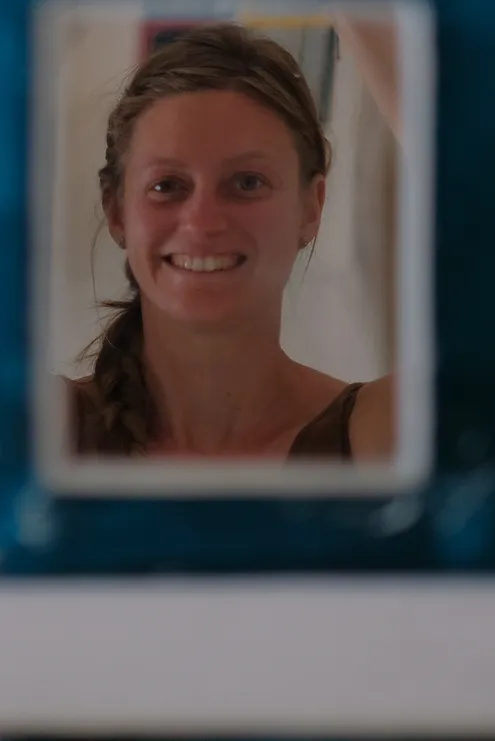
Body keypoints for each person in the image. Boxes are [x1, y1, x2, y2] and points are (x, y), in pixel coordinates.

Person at [66, 23, 395, 461]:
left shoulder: (380, 433)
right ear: (116, 211)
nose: (202, 223)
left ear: (311, 208)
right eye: (167, 186)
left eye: (247, 182)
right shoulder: (38, 428)